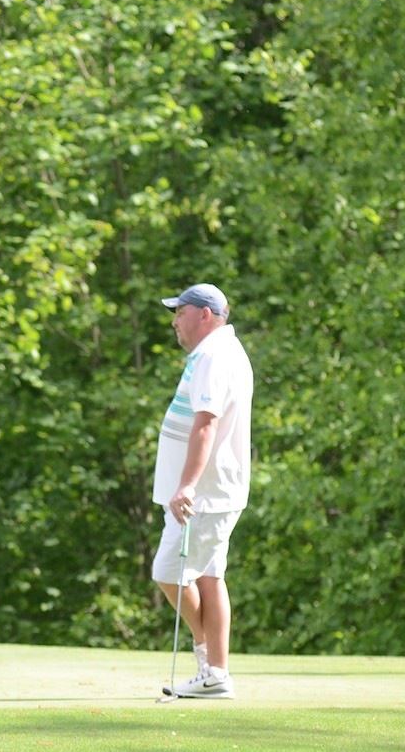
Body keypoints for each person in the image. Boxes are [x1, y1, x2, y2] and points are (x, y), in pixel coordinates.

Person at [152, 283, 253, 699]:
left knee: (168, 573)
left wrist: (187, 485)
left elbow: (207, 424)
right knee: (210, 577)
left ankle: (210, 661)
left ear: (205, 315)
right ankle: (215, 671)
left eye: (180, 312)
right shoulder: (214, 353)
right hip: (209, 493)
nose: (175, 321)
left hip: (205, 495)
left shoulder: (214, 355)